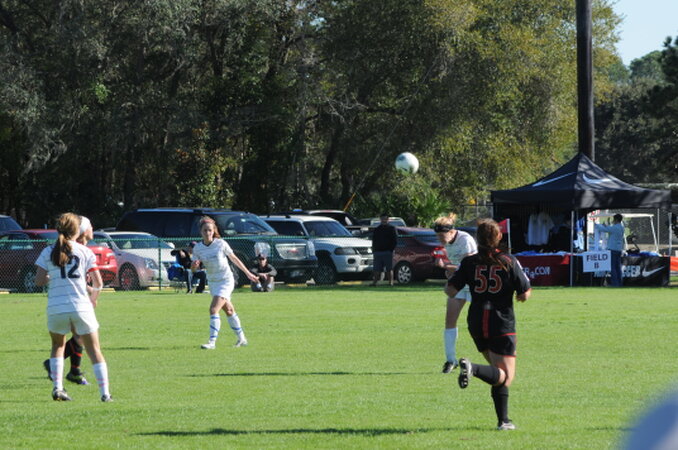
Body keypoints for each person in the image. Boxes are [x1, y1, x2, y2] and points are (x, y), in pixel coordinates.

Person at [446, 219, 531, 431]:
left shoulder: (469, 262)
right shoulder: (508, 260)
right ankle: (472, 368)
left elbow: (450, 291)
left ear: (477, 238)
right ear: (499, 237)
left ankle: (504, 421)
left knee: (497, 373)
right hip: (500, 323)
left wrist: (455, 276)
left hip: (476, 321)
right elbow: (524, 293)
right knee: (506, 376)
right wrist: (521, 295)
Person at [34, 213, 112, 402]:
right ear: (77, 230)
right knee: (94, 350)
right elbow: (98, 283)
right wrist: (93, 298)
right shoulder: (85, 251)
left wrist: (52, 277)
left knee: (57, 346)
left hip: (56, 307)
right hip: (80, 306)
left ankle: (58, 388)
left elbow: (38, 281)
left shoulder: (48, 251)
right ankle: (105, 394)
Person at [191, 216, 259, 349]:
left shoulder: (221, 244)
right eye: (205, 230)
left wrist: (248, 273)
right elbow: (194, 270)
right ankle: (242, 339)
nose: (207, 233)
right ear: (201, 232)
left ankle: (212, 342)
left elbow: (234, 258)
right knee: (229, 310)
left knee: (213, 309)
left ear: (214, 231)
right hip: (213, 282)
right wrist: (194, 266)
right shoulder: (198, 248)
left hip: (226, 280)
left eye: (210, 230)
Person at [42, 215, 94, 386]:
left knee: (78, 335)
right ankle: (62, 367)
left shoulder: (79, 248)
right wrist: (92, 291)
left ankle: (74, 371)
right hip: (70, 300)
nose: (92, 229)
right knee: (80, 336)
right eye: (90, 226)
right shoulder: (76, 249)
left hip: (69, 301)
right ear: (83, 230)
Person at [433, 213, 478, 373]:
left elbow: (469, 267)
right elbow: (456, 267)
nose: (440, 239)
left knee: (477, 324)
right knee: (449, 321)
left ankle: (494, 357)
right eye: (437, 235)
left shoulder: (465, 240)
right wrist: (449, 270)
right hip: (459, 285)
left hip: (473, 284)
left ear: (452, 232)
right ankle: (450, 360)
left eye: (442, 235)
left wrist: (446, 267)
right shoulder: (447, 242)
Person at [594, 214, 625, 287]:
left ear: (616, 220)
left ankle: (615, 284)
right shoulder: (622, 227)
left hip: (612, 249)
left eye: (614, 219)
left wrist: (596, 225)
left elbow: (604, 229)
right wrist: (607, 225)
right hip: (618, 249)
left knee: (613, 267)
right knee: (618, 267)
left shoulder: (614, 227)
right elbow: (609, 228)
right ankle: (619, 283)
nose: (613, 221)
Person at [371, 213, 398, 286]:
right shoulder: (377, 229)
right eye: (383, 219)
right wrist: (374, 250)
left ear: (388, 220)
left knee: (389, 269)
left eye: (385, 219)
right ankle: (374, 283)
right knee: (376, 269)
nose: (384, 220)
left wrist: (391, 250)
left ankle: (391, 283)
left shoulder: (391, 229)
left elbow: (395, 240)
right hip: (378, 252)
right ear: (380, 219)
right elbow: (374, 240)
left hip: (388, 252)